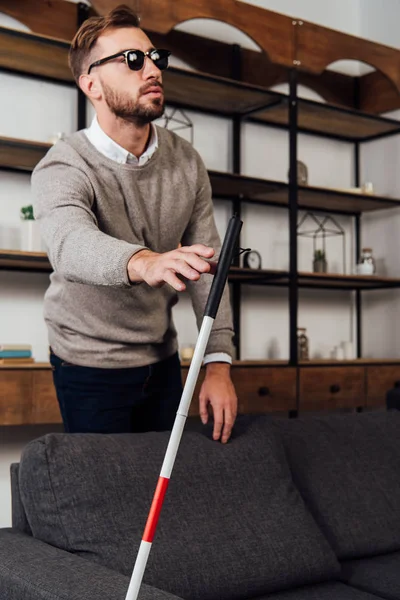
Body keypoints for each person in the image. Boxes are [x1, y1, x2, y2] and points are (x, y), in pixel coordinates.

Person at [31, 4, 237, 442]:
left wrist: (217, 363)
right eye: (131, 59)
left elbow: (207, 272)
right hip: (88, 363)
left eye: (154, 57)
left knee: (165, 494)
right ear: (91, 85)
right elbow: (69, 244)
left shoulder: (186, 162)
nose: (152, 69)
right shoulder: (63, 165)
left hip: (161, 361)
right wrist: (146, 262)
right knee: (108, 497)